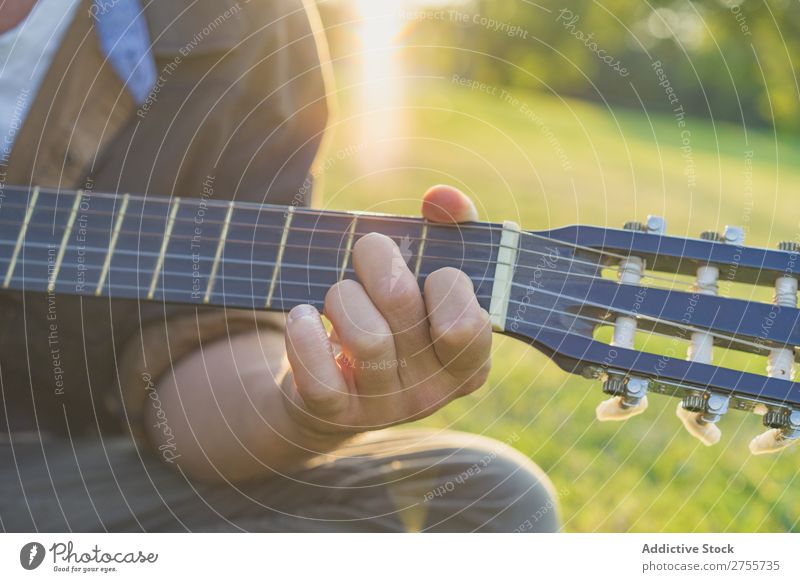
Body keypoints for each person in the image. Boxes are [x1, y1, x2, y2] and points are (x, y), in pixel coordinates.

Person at [0, 0, 559, 532]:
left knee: (484, 502)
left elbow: (202, 352)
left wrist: (303, 405)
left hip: (32, 477)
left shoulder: (252, 24)